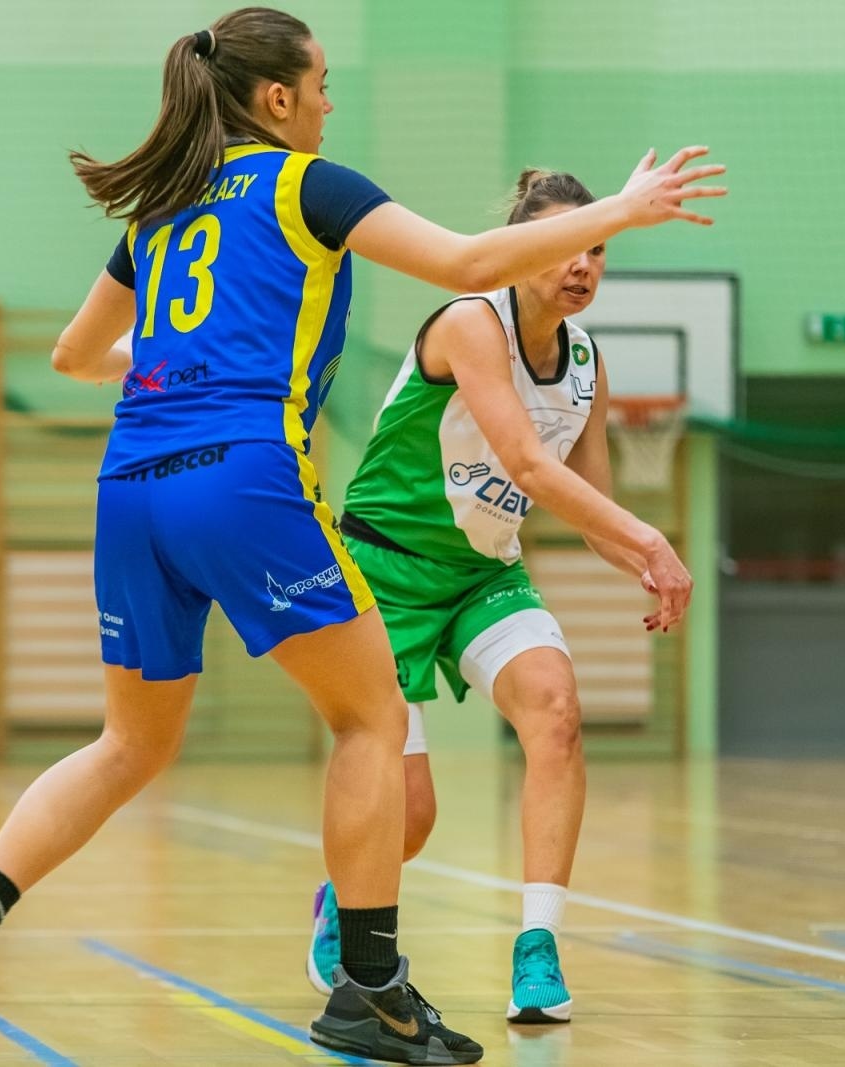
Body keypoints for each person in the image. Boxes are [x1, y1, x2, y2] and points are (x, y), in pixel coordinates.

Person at [0, 7, 725, 1065]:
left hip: (131, 486)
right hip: (243, 479)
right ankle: (368, 988)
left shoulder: (158, 211)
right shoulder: (304, 185)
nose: (331, 101)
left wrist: (171, 363)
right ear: (277, 98)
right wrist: (622, 208)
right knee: (373, 715)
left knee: (129, 742)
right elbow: (466, 259)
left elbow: (71, 353)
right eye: (322, 83)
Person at [303, 169, 691, 1025]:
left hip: (484, 572)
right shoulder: (470, 323)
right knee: (410, 817)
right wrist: (649, 540)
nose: (583, 262)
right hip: (386, 571)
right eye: (567, 243)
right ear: (523, 250)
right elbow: (523, 463)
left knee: (556, 709)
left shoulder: (587, 365)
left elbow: (588, 507)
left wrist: (637, 558)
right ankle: (341, 897)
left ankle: (539, 947)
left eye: (599, 247)